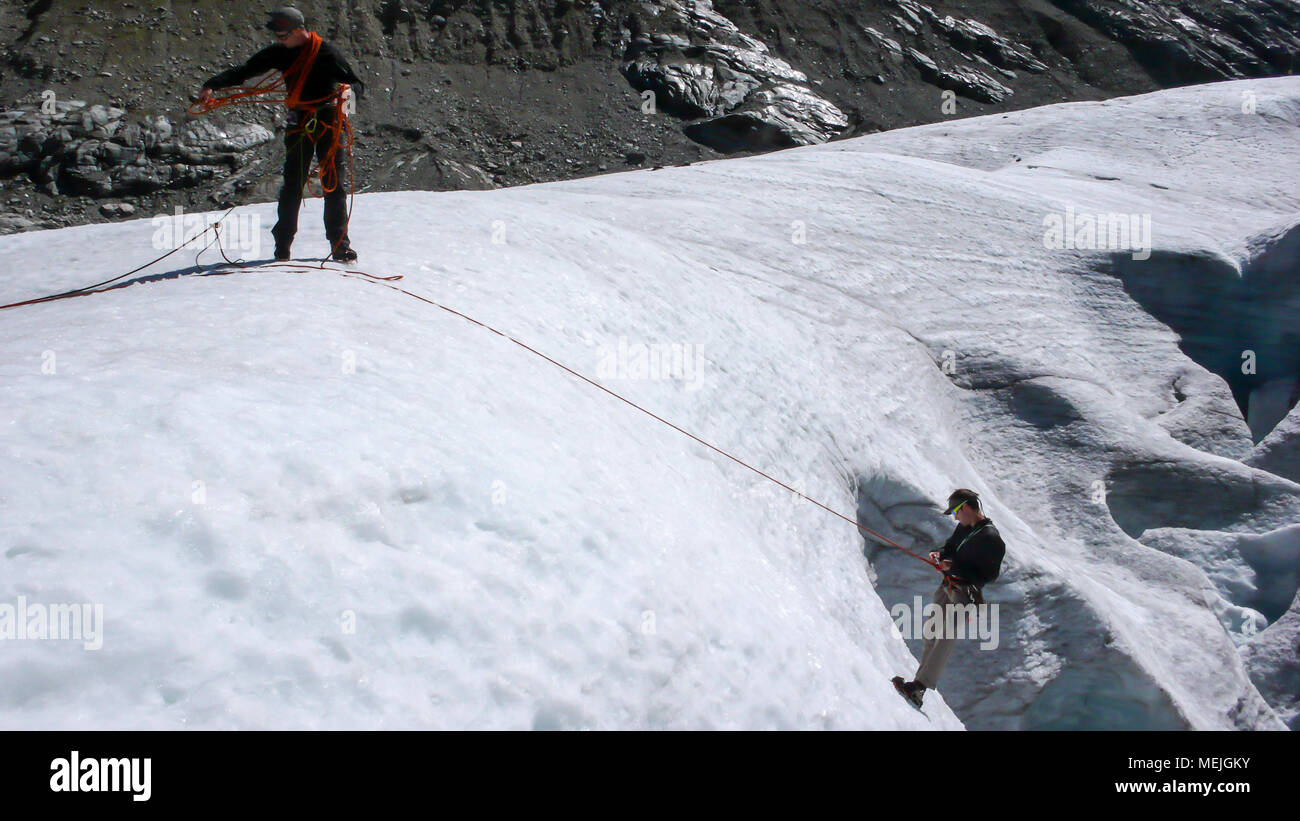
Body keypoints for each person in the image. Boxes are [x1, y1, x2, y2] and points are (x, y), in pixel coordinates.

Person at [197, 7, 365, 262]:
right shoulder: (280, 53)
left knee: (334, 183)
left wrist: (348, 99)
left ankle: (339, 244)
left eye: (284, 35)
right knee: (292, 184)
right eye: (278, 36)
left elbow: (356, 83)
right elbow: (245, 71)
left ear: (299, 29)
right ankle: (283, 246)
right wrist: (212, 84)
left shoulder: (326, 52)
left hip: (328, 120)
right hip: (299, 121)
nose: (280, 40)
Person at [893, 488, 1005, 708]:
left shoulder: (991, 539)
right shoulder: (964, 528)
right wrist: (940, 555)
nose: (955, 516)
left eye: (956, 511)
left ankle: (920, 686)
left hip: (966, 594)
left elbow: (990, 575)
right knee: (931, 633)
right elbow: (951, 548)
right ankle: (917, 687)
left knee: (945, 637)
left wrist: (955, 567)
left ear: (966, 507)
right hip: (949, 586)